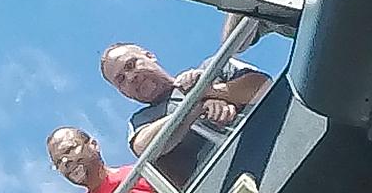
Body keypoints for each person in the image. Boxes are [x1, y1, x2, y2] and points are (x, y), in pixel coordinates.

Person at [98, 41, 269, 182]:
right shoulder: (141, 121)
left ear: (150, 56)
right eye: (120, 80)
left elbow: (264, 86)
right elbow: (145, 147)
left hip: (267, 148)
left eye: (131, 64)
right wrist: (196, 105)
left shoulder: (211, 67)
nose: (131, 77)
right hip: (222, 190)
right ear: (122, 92)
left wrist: (208, 89)